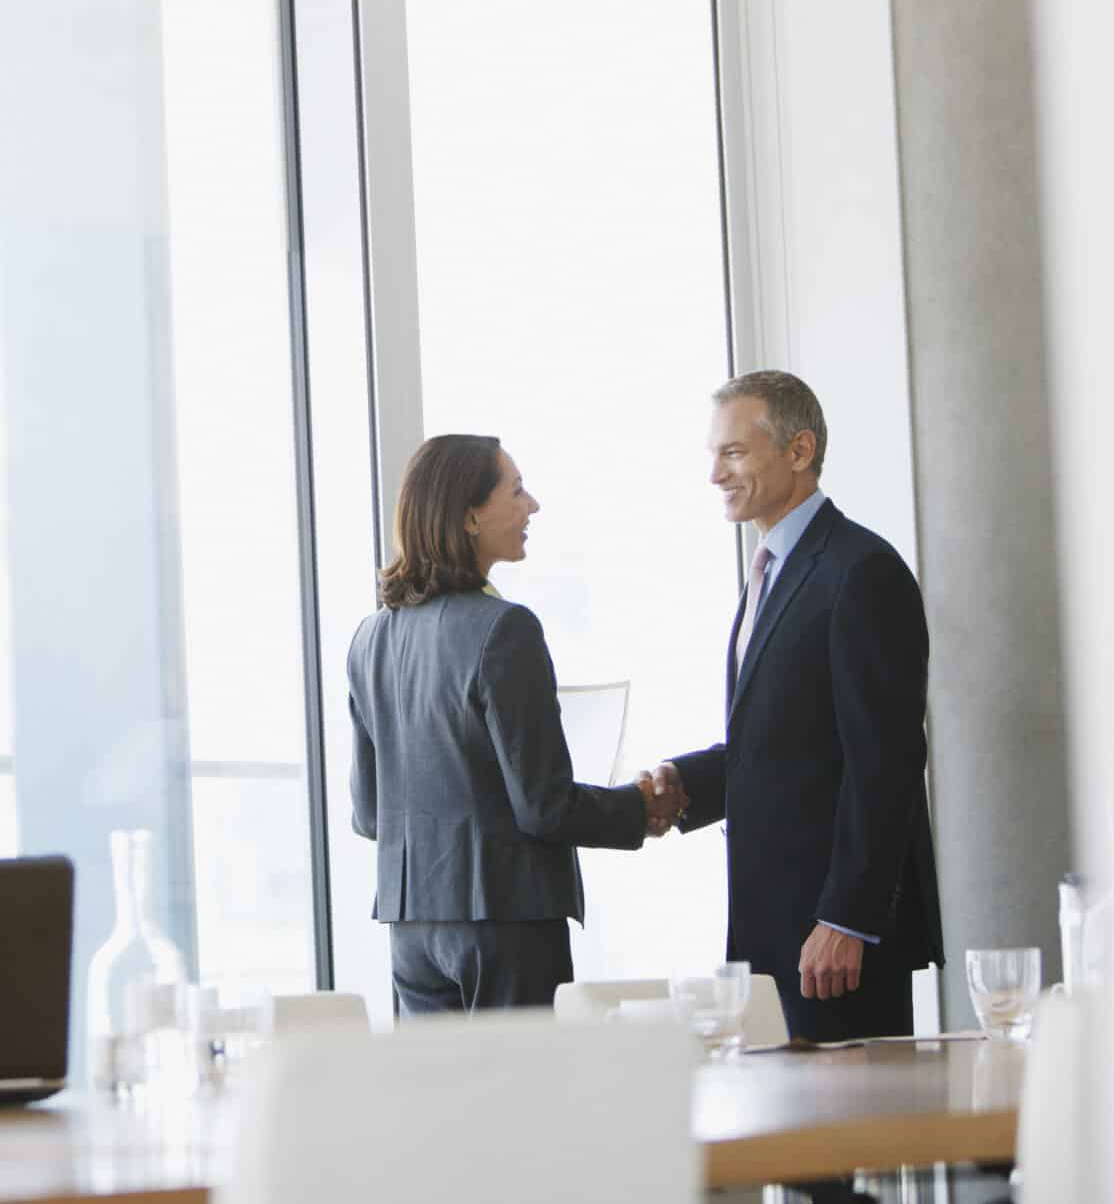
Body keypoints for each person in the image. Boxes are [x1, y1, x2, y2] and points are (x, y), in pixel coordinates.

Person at [643, 372, 944, 1043]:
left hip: (834, 943)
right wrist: (688, 782)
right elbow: (785, 742)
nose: (715, 474)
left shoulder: (860, 570)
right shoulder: (771, 569)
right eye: (713, 454)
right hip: (773, 931)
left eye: (734, 453)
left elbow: (886, 761)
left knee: (849, 1111)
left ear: (800, 450)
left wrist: (847, 917)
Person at [348, 434, 677, 1015]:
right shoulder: (505, 628)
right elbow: (544, 807)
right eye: (517, 491)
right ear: (470, 515)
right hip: (505, 918)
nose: (533, 506)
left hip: (410, 928)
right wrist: (639, 808)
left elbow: (370, 814)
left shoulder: (369, 638)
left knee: (438, 1081)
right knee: (522, 1078)